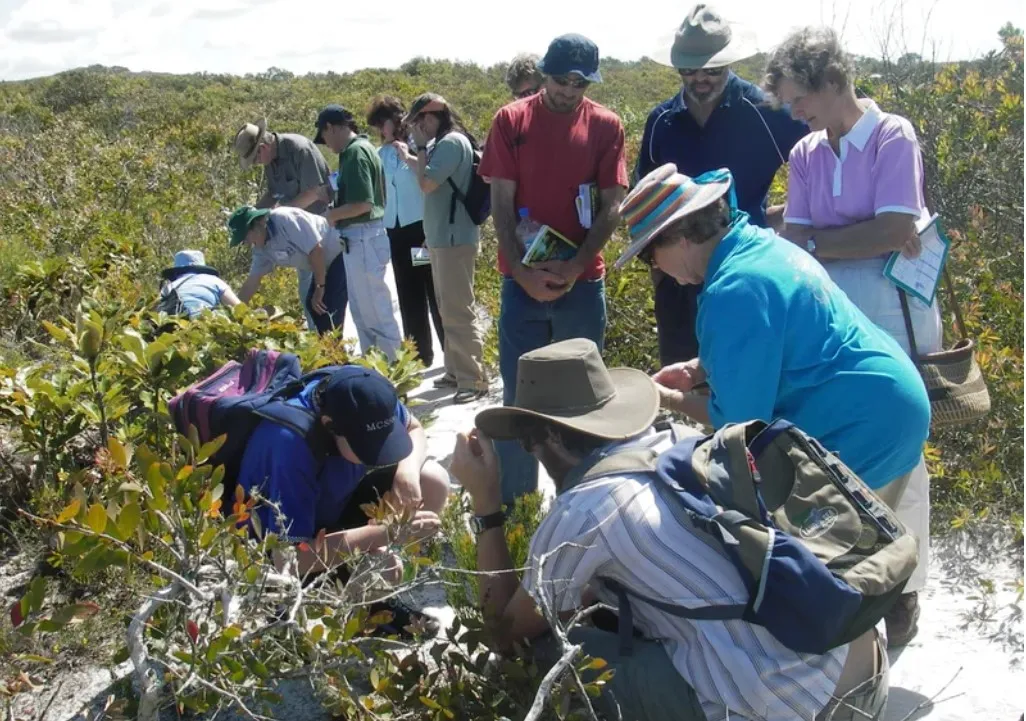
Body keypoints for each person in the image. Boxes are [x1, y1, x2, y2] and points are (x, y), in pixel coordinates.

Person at [449, 337, 888, 721]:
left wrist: (486, 502)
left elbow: (504, 632)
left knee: (537, 653)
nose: (528, 451)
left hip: (788, 705)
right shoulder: (680, 440)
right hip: (860, 670)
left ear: (551, 439)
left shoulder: (584, 511)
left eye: (528, 440)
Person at [616, 163, 932, 646]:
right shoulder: (759, 247)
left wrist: (668, 398)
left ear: (678, 237)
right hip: (889, 401)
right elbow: (782, 330)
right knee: (869, 544)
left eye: (649, 255)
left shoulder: (732, 290)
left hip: (865, 424)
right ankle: (890, 612)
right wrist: (702, 368)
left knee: (836, 571)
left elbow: (740, 429)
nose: (654, 269)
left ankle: (851, 666)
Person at [765, 26, 941, 646]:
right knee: (839, 452)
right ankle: (856, 580)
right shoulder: (808, 152)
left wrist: (820, 239)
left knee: (904, 457)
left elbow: (893, 230)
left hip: (895, 319)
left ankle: (906, 592)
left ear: (827, 80)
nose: (794, 112)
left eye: (796, 98)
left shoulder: (893, 134)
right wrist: (847, 237)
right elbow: (809, 240)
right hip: (834, 325)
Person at [479, 33, 629, 503]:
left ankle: (586, 502)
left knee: (587, 403)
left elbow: (612, 207)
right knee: (521, 401)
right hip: (521, 284)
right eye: (561, 80)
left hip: (582, 286)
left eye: (579, 82)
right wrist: (523, 273)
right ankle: (518, 513)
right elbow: (500, 204)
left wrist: (577, 265)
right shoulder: (511, 120)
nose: (568, 90)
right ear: (544, 75)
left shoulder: (607, 125)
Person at [638, 4, 809, 367]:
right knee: (687, 386)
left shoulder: (766, 111)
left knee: (748, 386)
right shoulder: (661, 122)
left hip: (747, 275)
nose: (701, 78)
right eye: (689, 69)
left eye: (712, 69)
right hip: (678, 287)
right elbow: (647, 210)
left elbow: (821, 156)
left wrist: (795, 218)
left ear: (729, 62)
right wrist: (659, 276)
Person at [237, 364, 447, 635]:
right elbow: (287, 559)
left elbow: (413, 427)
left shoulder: (365, 396)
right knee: (382, 566)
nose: (380, 453)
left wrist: (406, 473)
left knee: (431, 478)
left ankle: (368, 591)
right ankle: (366, 613)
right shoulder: (289, 445)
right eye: (367, 446)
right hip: (278, 554)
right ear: (330, 427)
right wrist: (383, 535)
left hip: (331, 508)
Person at [395, 94, 489, 404]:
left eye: (420, 121)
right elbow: (429, 181)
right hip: (439, 239)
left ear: (433, 116)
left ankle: (473, 380)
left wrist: (419, 148)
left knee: (458, 309)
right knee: (446, 307)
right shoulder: (443, 144)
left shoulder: (450, 143)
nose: (417, 128)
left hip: (454, 240)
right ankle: (454, 370)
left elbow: (426, 183)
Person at [315, 105, 403, 362]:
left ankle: (394, 370)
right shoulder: (354, 152)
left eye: (325, 136)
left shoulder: (355, 153)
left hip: (364, 236)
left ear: (331, 127)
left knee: (375, 311)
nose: (327, 144)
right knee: (363, 312)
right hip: (359, 238)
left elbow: (364, 204)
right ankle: (376, 368)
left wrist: (332, 215)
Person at [233, 118, 334, 330]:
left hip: (324, 229)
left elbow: (316, 193)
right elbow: (273, 193)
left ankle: (328, 344)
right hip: (296, 235)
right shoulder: (271, 162)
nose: (257, 164)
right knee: (308, 294)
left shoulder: (299, 149)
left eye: (255, 159)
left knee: (319, 294)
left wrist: (279, 213)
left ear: (263, 146)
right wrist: (251, 217)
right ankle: (322, 339)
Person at [367, 96, 444, 368]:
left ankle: (451, 352)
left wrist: (408, 154)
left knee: (431, 289)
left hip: (419, 229)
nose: (381, 131)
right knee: (407, 293)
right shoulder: (380, 154)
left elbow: (427, 180)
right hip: (396, 231)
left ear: (394, 120)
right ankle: (419, 356)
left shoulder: (417, 144)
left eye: (382, 124)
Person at [229, 205, 347, 335]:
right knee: (313, 305)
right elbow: (252, 281)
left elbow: (316, 251)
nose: (246, 243)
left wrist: (320, 287)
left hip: (340, 251)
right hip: (323, 263)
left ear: (256, 226)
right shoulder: (260, 249)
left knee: (327, 305)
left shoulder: (284, 219)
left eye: (245, 238)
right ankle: (329, 346)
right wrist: (234, 313)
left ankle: (334, 348)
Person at [157, 249, 240, 318]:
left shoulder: (169, 287)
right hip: (203, 321)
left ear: (176, 273)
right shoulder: (215, 281)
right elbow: (238, 308)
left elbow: (155, 310)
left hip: (174, 325)